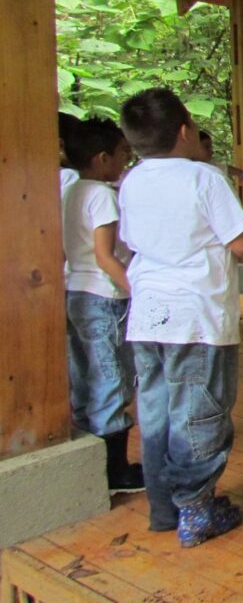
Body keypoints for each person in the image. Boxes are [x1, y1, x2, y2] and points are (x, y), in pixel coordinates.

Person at [118, 88, 243, 545]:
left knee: (156, 411)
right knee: (200, 412)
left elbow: (131, 242)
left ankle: (164, 508)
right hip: (196, 315)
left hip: (147, 314)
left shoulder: (131, 180)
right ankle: (196, 508)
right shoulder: (202, 178)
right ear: (185, 130)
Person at [61, 117, 142, 494]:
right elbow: (106, 256)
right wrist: (136, 292)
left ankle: (88, 462)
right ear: (102, 157)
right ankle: (115, 471)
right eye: (123, 152)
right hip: (105, 296)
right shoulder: (102, 196)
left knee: (84, 374)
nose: (127, 159)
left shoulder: (70, 190)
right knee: (113, 378)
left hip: (76, 290)